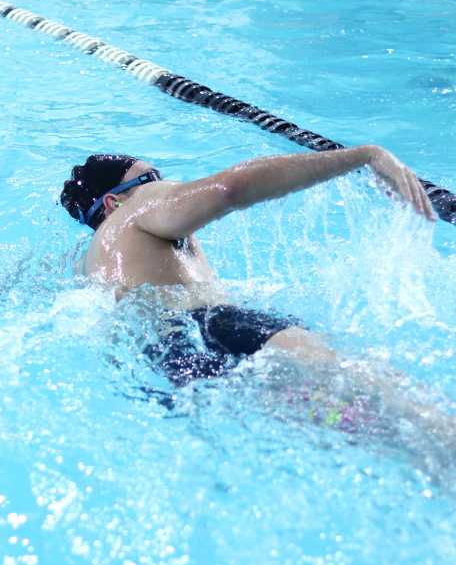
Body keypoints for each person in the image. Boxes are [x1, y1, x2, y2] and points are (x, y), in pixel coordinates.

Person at [60, 148, 452, 444]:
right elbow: (230, 189)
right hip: (223, 329)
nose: (169, 186)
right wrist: (363, 157)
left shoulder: (90, 262)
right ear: (114, 201)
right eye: (151, 178)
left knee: (367, 426)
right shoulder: (139, 208)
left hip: (173, 364)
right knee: (400, 405)